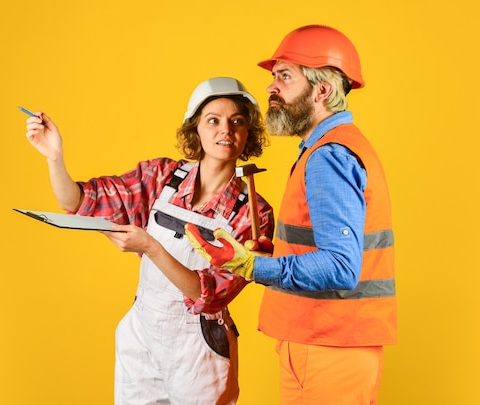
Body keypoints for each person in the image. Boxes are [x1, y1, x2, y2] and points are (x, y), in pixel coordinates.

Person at [24, 77, 274, 405]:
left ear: (247, 134)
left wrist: (151, 248)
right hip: (141, 335)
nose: (224, 130)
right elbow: (79, 203)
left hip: (198, 346)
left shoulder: (253, 213)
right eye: (213, 120)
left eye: (236, 122)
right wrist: (54, 157)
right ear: (195, 128)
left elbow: (208, 295)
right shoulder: (160, 178)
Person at [185, 25, 396, 404]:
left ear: (322, 91)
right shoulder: (334, 148)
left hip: (327, 349)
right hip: (331, 345)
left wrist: (251, 266)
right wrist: (277, 254)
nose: (271, 88)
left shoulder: (329, 157)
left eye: (284, 76)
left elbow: (340, 267)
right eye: (273, 77)